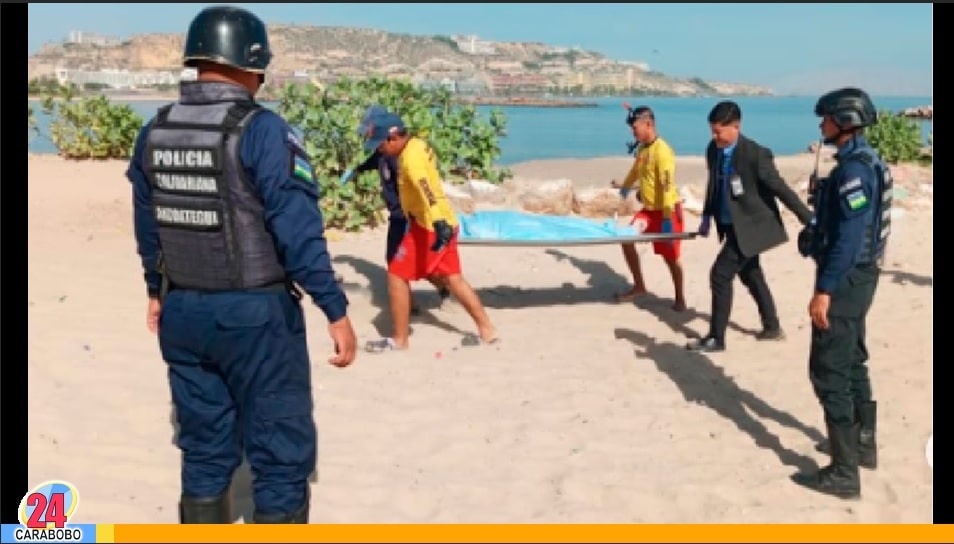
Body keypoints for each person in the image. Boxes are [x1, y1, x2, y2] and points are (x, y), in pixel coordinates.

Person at [126, 6, 357, 524]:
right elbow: (297, 231)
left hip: (183, 311)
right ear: (253, 64)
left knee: (204, 450)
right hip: (256, 316)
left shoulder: (156, 130)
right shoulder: (263, 130)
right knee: (279, 456)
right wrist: (334, 309)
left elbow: (148, 225)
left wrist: (155, 290)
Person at [791, 88, 892, 499]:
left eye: (827, 119)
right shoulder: (863, 162)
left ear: (844, 120)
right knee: (852, 359)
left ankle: (844, 471)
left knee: (829, 369)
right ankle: (862, 444)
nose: (822, 125)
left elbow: (849, 238)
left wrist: (825, 290)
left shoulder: (854, 172)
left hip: (847, 279)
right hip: (862, 276)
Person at [359, 107, 498, 352]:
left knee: (396, 275)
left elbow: (427, 190)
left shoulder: (411, 160)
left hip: (430, 226)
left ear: (394, 138)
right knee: (454, 279)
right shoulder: (416, 145)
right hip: (442, 221)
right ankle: (487, 330)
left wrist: (438, 224)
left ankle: (400, 340)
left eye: (381, 144)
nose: (380, 149)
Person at [688, 100, 813, 353]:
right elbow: (714, 185)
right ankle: (772, 327)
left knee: (720, 275)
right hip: (728, 224)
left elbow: (779, 187)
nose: (715, 136)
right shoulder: (713, 150)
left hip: (751, 225)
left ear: (736, 126)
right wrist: (706, 217)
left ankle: (716, 338)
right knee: (751, 274)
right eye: (712, 131)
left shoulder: (756, 154)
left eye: (719, 131)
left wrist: (807, 217)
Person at [340, 106, 451, 311]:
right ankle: (410, 304)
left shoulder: (398, 156)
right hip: (396, 216)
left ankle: (445, 290)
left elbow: (419, 186)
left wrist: (427, 217)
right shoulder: (383, 151)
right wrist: (357, 170)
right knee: (394, 261)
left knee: (416, 264)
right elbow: (374, 161)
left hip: (407, 217)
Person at [610, 105, 687, 311]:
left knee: (670, 257)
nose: (632, 131)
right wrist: (625, 187)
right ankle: (639, 286)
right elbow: (636, 171)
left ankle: (680, 298)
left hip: (667, 211)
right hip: (649, 212)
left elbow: (667, 186)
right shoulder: (643, 149)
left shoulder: (663, 151)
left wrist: (668, 218)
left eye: (635, 127)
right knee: (626, 240)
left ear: (648, 124)